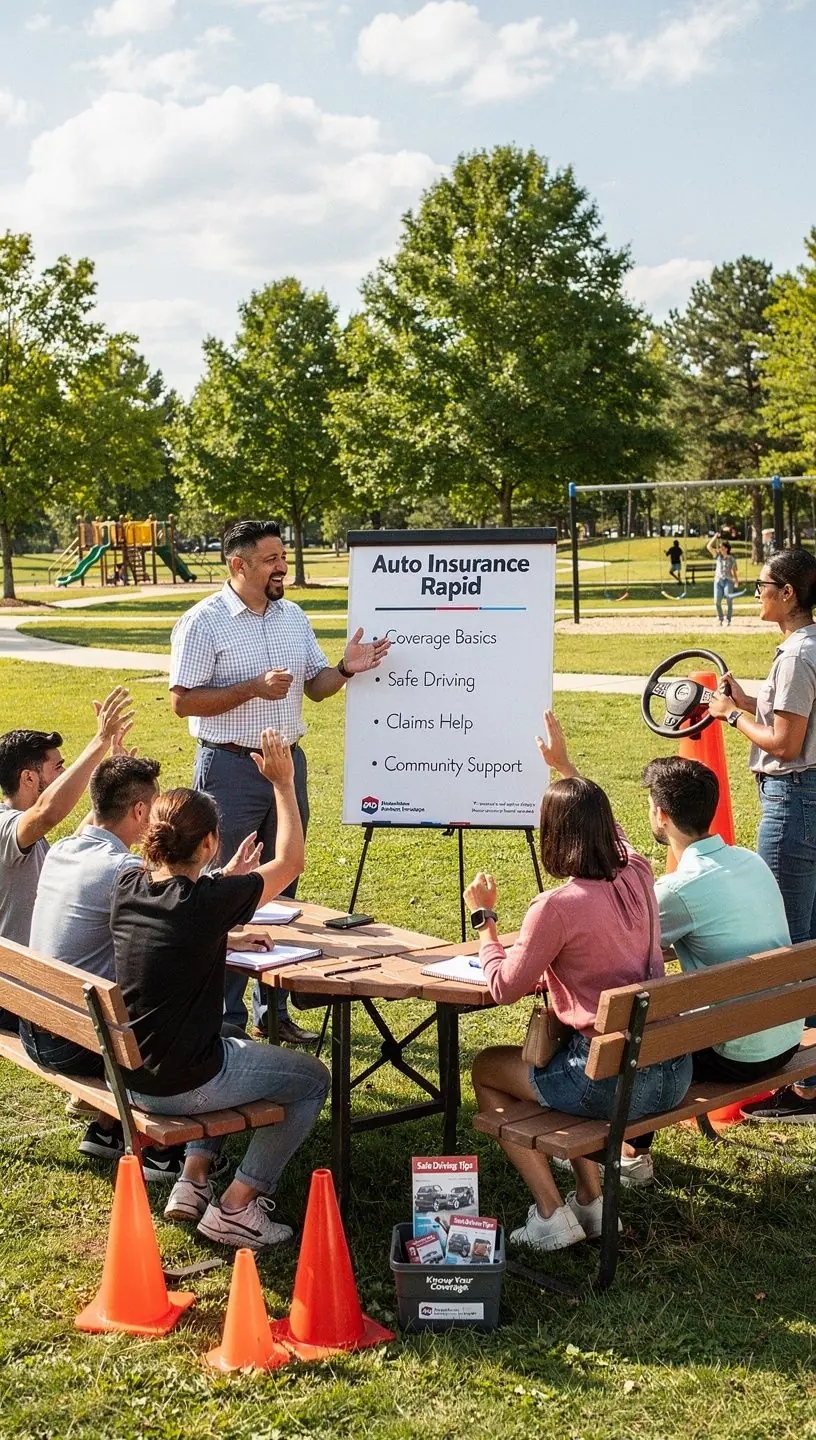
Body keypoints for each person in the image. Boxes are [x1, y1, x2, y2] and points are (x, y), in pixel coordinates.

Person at [468, 713, 692, 1253]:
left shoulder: (556, 907)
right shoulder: (638, 871)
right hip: (671, 1072)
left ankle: (551, 1213)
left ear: (553, 835)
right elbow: (614, 835)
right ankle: (591, 1206)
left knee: (486, 1071)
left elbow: (503, 987)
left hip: (608, 1085)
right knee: (573, 1062)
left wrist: (484, 920)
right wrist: (563, 766)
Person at [169, 518, 391, 1046]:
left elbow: (315, 688)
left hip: (287, 766)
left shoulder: (293, 616)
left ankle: (275, 1010)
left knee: (282, 886)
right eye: (270, 559)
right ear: (238, 565)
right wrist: (252, 688)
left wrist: (346, 667)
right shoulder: (203, 622)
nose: (282, 566)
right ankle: (225, 1020)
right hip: (229, 767)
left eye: (282, 557)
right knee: (224, 887)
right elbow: (182, 701)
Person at [111, 730, 330, 1251]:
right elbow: (291, 862)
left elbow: (180, 918)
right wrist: (283, 784)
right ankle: (237, 1205)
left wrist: (224, 897)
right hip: (184, 1083)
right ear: (209, 844)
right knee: (312, 1079)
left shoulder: (129, 888)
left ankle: (194, 1179)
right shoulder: (206, 902)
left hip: (132, 1073)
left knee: (230, 1030)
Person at [20, 753, 188, 1179]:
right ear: (139, 811)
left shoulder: (63, 849)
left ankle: (105, 1129)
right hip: (76, 1040)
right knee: (179, 1022)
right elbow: (184, 920)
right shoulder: (123, 871)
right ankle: (163, 1153)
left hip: (36, 1025)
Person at [708, 547, 816, 1122]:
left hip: (795, 801)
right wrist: (748, 702)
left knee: (789, 939)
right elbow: (786, 722)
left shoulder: (797, 655)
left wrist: (729, 714)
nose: (756, 593)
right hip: (808, 798)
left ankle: (797, 1083)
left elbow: (786, 744)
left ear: (789, 593)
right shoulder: (806, 650)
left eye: (762, 585)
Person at [645, 754, 803, 1081]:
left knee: (633, 1052)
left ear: (661, 816)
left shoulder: (676, 890)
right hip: (786, 1039)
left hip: (734, 1055)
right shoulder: (751, 861)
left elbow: (630, 946)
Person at [0, 688, 134, 1030]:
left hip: (27, 985)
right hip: (19, 997)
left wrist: (113, 776)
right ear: (29, 778)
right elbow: (48, 813)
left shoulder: (22, 832)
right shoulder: (8, 827)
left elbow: (81, 845)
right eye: (58, 767)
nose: (63, 773)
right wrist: (100, 741)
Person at [706, 533, 739, 626]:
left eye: (721, 547)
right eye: (719, 547)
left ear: (726, 549)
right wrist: (715, 537)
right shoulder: (717, 556)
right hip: (718, 581)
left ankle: (728, 620)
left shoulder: (732, 559)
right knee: (717, 601)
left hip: (728, 581)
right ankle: (720, 618)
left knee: (729, 600)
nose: (719, 549)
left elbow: (734, 572)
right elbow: (708, 546)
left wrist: (736, 581)